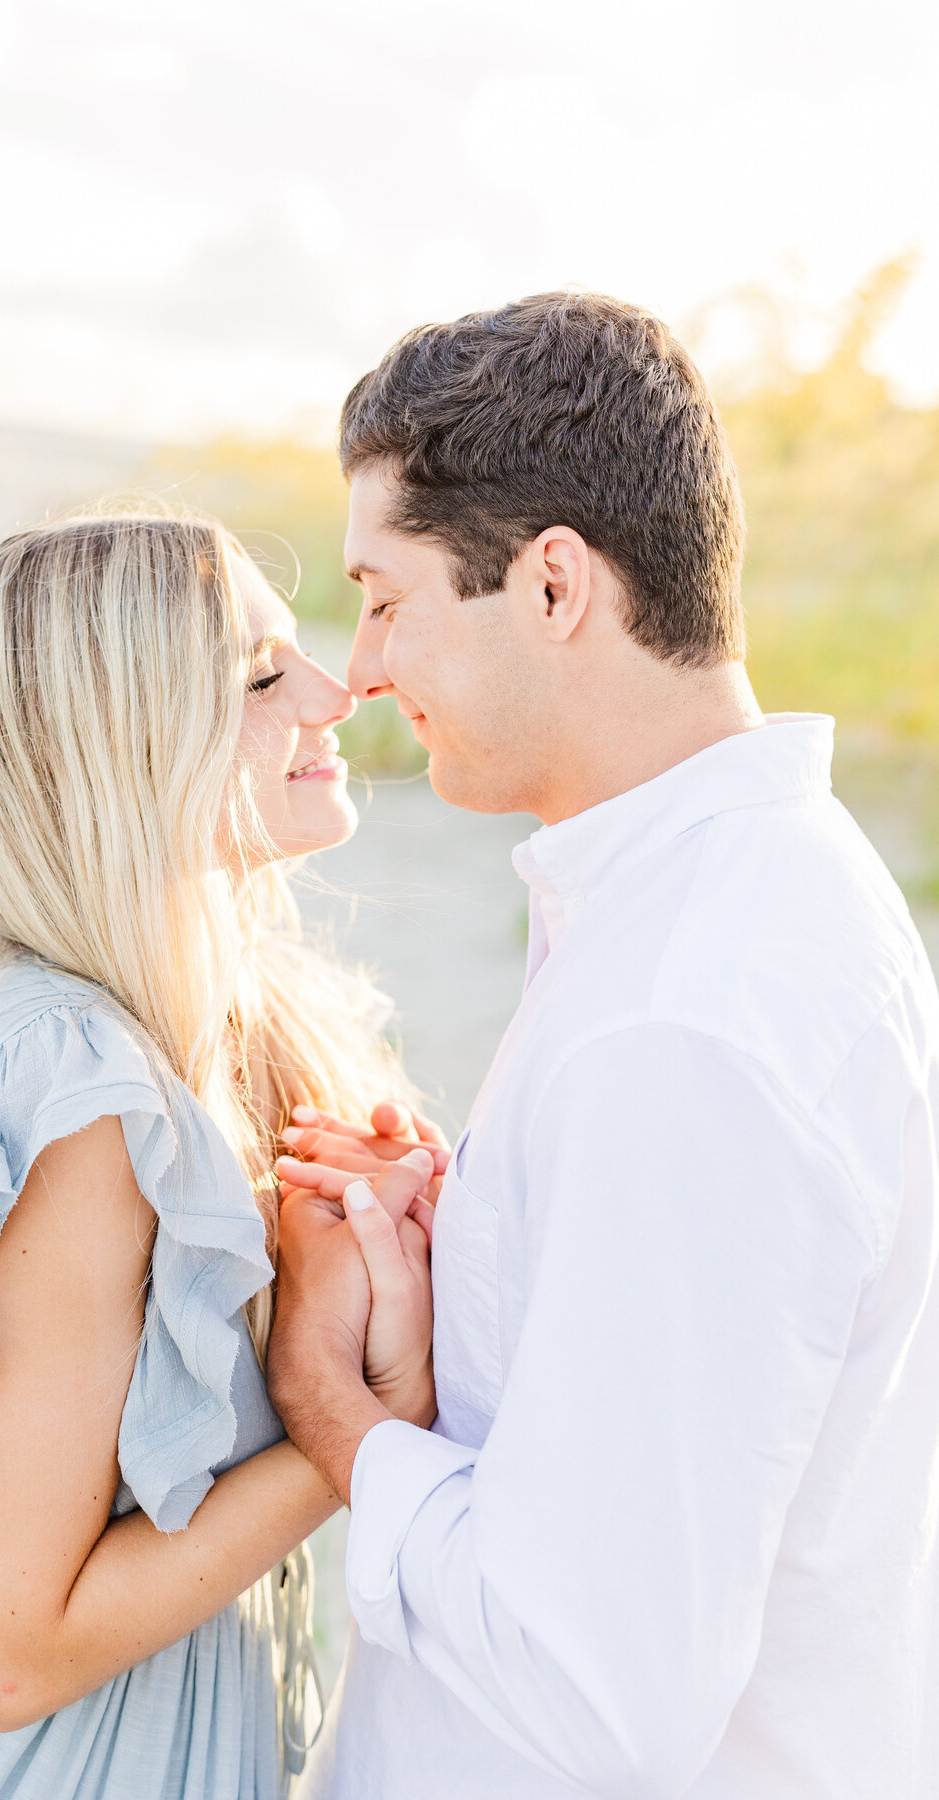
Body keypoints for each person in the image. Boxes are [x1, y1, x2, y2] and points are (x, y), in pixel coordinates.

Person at [270, 293, 939, 1799]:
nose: (362, 665)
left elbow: (594, 1694)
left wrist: (340, 1423)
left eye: (389, 597)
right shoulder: (736, 898)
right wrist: (489, 1255)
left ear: (555, 586)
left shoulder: (688, 1017)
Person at [0, 513, 439, 1800]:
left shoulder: (245, 1021)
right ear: (126, 749)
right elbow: (11, 1655)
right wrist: (352, 1435)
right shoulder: (78, 1095)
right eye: (258, 678)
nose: (332, 690)